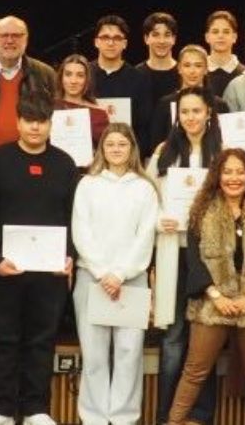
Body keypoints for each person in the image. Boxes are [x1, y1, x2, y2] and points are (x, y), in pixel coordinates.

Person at [0, 94, 80, 425]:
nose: (35, 126)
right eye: (29, 120)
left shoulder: (65, 164)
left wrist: (70, 257)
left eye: (42, 120)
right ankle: (0, 409)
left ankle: (37, 409)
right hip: (3, 270)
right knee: (3, 338)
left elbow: (73, 217)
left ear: (51, 124)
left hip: (49, 273)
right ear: (18, 122)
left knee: (41, 340)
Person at [166, 147, 245, 425]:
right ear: (217, 176)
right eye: (227, 171)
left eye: (240, 172)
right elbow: (194, 261)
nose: (234, 178)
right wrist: (217, 297)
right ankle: (173, 422)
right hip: (212, 302)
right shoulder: (201, 211)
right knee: (195, 370)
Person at [71, 122, 162, 425]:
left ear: (132, 148)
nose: (116, 150)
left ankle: (123, 417)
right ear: (102, 149)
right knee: (94, 354)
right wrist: (102, 272)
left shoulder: (144, 187)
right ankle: (95, 417)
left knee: (128, 354)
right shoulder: (88, 184)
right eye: (110, 144)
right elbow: (81, 232)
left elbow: (145, 235)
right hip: (91, 278)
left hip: (131, 281)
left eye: (122, 144)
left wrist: (121, 274)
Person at [151, 87, 223, 425]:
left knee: (205, 336)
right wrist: (158, 219)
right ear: (177, 117)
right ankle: (168, 416)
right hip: (174, 252)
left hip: (211, 256)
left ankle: (200, 415)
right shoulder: (164, 153)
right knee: (175, 337)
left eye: (197, 111)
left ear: (209, 113)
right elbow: (147, 200)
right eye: (185, 112)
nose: (191, 118)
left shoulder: (223, 154)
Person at [0, 15, 61, 150]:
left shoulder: (46, 74)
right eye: (4, 35)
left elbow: (55, 118)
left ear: (26, 39)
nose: (10, 40)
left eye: (16, 35)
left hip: (33, 160)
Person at [150, 46, 218, 156]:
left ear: (206, 69)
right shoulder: (164, 104)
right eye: (187, 65)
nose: (192, 71)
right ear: (179, 68)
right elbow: (155, 145)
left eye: (198, 65)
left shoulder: (219, 104)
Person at [57, 53, 115, 147]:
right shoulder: (48, 108)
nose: (73, 81)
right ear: (61, 77)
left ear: (87, 79)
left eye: (80, 75)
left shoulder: (98, 114)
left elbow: (105, 148)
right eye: (68, 74)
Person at [138, 12, 183, 114]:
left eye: (167, 35)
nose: (161, 41)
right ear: (146, 39)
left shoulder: (184, 73)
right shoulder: (136, 75)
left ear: (174, 39)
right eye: (155, 35)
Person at [203, 10, 245, 96]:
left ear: (234, 37)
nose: (220, 36)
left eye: (226, 32)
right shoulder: (197, 73)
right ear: (207, 37)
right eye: (215, 32)